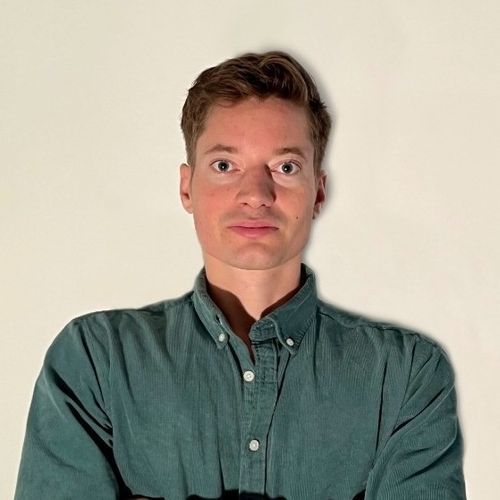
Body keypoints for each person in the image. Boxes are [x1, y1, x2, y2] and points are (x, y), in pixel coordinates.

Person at [15, 51, 466, 500]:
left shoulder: (405, 375)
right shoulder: (96, 361)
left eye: (285, 167)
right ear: (187, 187)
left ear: (318, 191)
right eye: (224, 166)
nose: (255, 194)